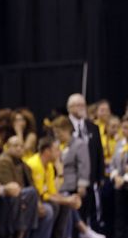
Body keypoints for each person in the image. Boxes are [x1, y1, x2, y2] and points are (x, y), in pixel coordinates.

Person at [0, 136, 40, 238]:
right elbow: (10, 188)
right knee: (31, 193)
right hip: (7, 197)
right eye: (15, 146)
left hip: (22, 196)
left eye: (21, 146)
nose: (19, 148)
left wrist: (38, 203)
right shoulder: (3, 162)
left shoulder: (23, 164)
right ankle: (20, 233)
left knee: (48, 209)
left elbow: (32, 184)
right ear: (7, 147)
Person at [66, 93, 104, 228]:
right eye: (78, 105)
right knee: (73, 215)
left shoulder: (93, 127)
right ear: (69, 108)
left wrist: (100, 177)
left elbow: (99, 153)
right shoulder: (63, 126)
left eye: (83, 105)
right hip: (70, 179)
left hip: (91, 178)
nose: (82, 108)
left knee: (91, 212)